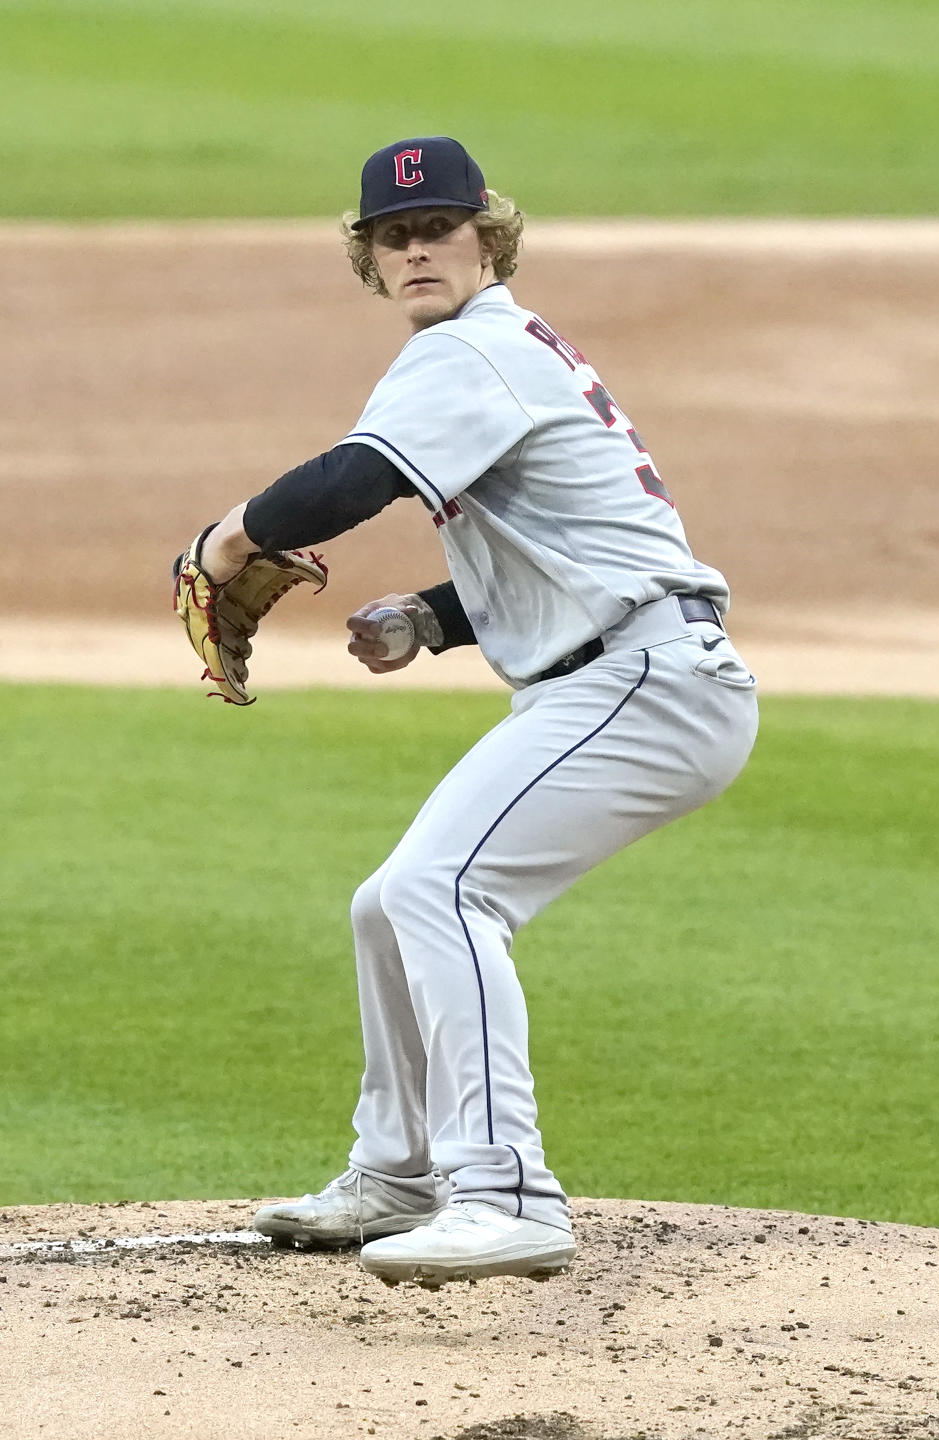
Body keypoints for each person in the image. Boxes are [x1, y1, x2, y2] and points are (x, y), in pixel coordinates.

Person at [195, 137, 759, 1289]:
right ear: (368, 256)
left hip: (646, 685)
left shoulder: (472, 351)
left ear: (486, 237)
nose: (416, 249)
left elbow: (354, 482)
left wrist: (225, 538)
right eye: (393, 236)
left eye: (438, 228)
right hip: (634, 672)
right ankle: (396, 1174)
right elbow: (573, 542)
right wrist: (435, 621)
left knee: (441, 888)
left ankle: (506, 1194)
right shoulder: (496, 351)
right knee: (385, 905)